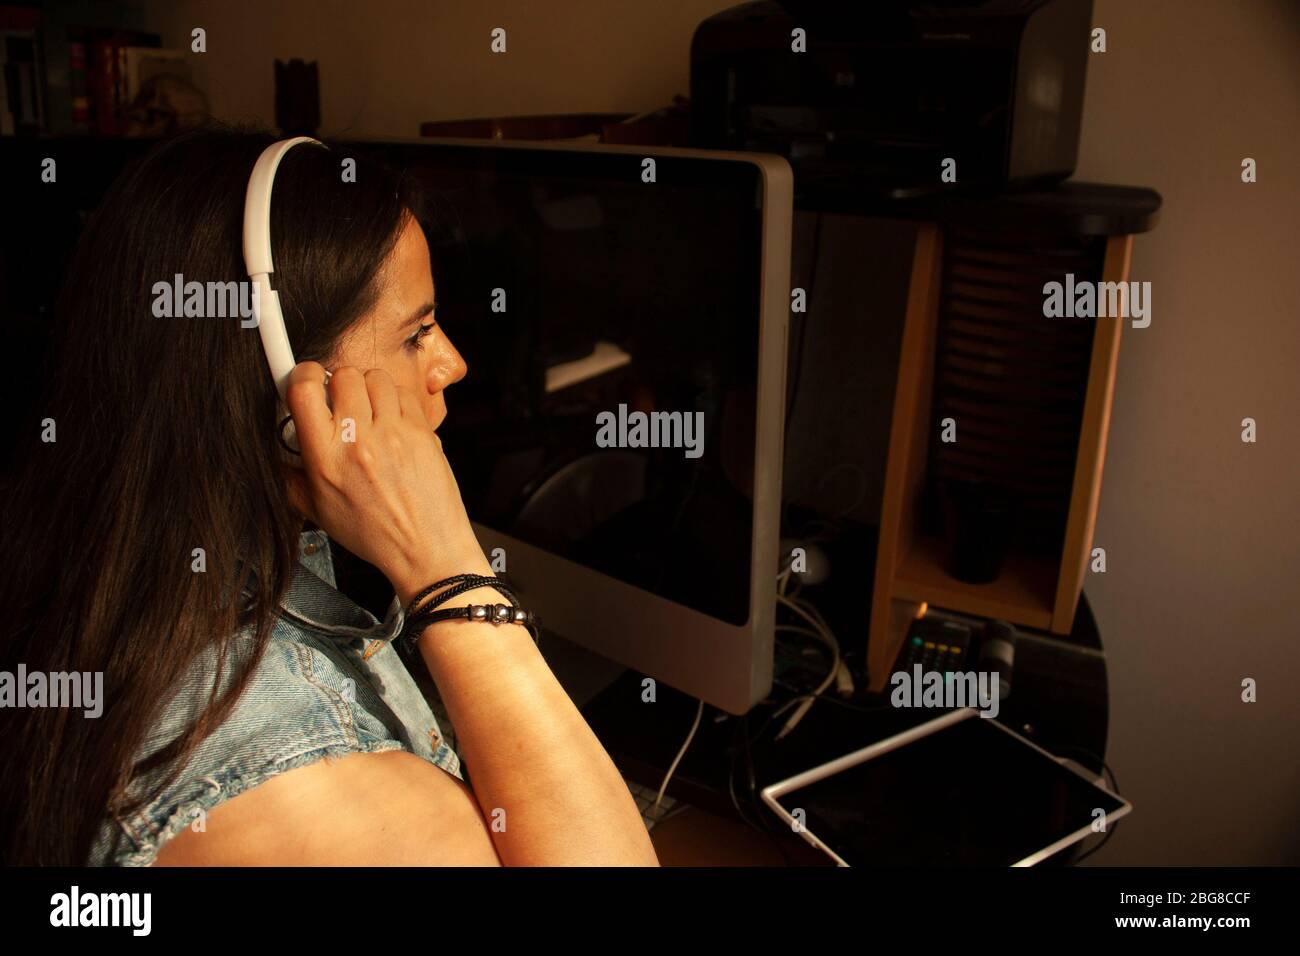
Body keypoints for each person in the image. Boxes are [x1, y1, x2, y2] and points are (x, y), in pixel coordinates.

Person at [0, 125, 660, 867]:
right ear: (290, 395)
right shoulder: (305, 781)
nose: (453, 362)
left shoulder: (101, 555)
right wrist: (446, 566)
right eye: (417, 332)